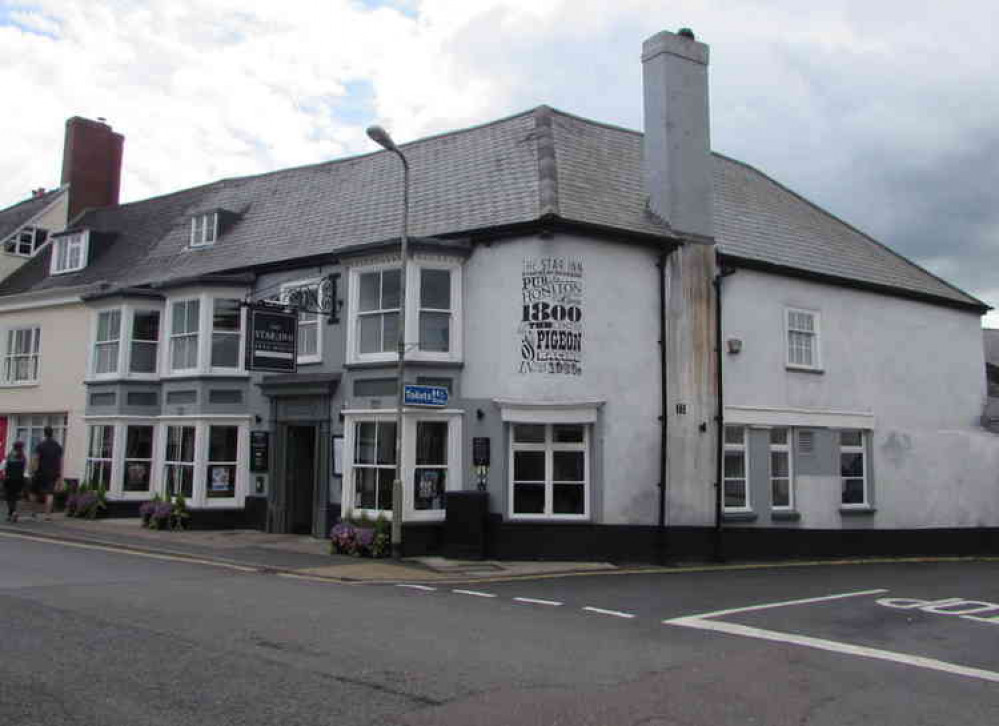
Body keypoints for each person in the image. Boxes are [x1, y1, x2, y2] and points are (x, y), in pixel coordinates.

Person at [30, 426, 63, 521]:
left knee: (33, 492)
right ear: (52, 433)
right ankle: (47, 515)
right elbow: (60, 462)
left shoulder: (40, 445)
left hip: (40, 472)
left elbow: (36, 459)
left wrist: (33, 471)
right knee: (50, 493)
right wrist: (60, 475)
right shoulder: (58, 446)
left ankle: (33, 512)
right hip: (53, 473)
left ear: (44, 433)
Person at [1, 441, 28, 522]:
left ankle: (13, 512)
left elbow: (3, 466)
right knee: (15, 497)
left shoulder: (9, 456)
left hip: (9, 479)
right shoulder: (23, 457)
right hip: (19, 479)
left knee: (8, 497)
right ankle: (11, 514)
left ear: (14, 447)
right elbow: (25, 468)